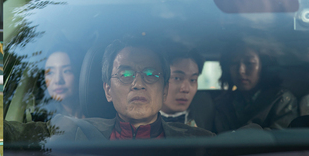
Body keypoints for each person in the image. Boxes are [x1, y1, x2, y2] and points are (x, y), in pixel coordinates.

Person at [50, 37, 213, 140]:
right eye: (126, 75)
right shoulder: (72, 134)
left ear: (164, 90)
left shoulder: (200, 143)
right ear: (108, 90)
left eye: (150, 74)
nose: (138, 84)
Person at [210, 40, 298, 132]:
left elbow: (282, 140)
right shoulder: (222, 103)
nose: (241, 70)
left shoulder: (281, 99)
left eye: (249, 63)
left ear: (263, 66)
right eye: (234, 63)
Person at [161, 49, 205, 125]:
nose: (186, 89)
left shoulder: (206, 117)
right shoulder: (138, 118)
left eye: (193, 80)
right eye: (177, 78)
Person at [41, 49, 83, 118]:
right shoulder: (42, 119)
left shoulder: (99, 112)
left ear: (79, 74)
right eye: (50, 72)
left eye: (66, 71)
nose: (58, 80)